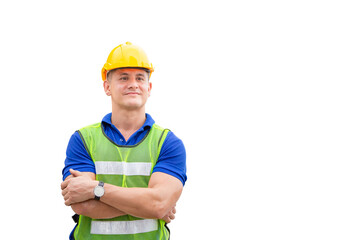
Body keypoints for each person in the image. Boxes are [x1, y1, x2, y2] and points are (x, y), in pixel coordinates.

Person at [61, 42, 187, 240]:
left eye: (140, 78)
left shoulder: (168, 143)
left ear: (149, 87)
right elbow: (81, 204)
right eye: (123, 77)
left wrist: (95, 189)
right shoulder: (83, 139)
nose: (133, 84)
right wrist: (149, 205)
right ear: (107, 86)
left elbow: (159, 204)